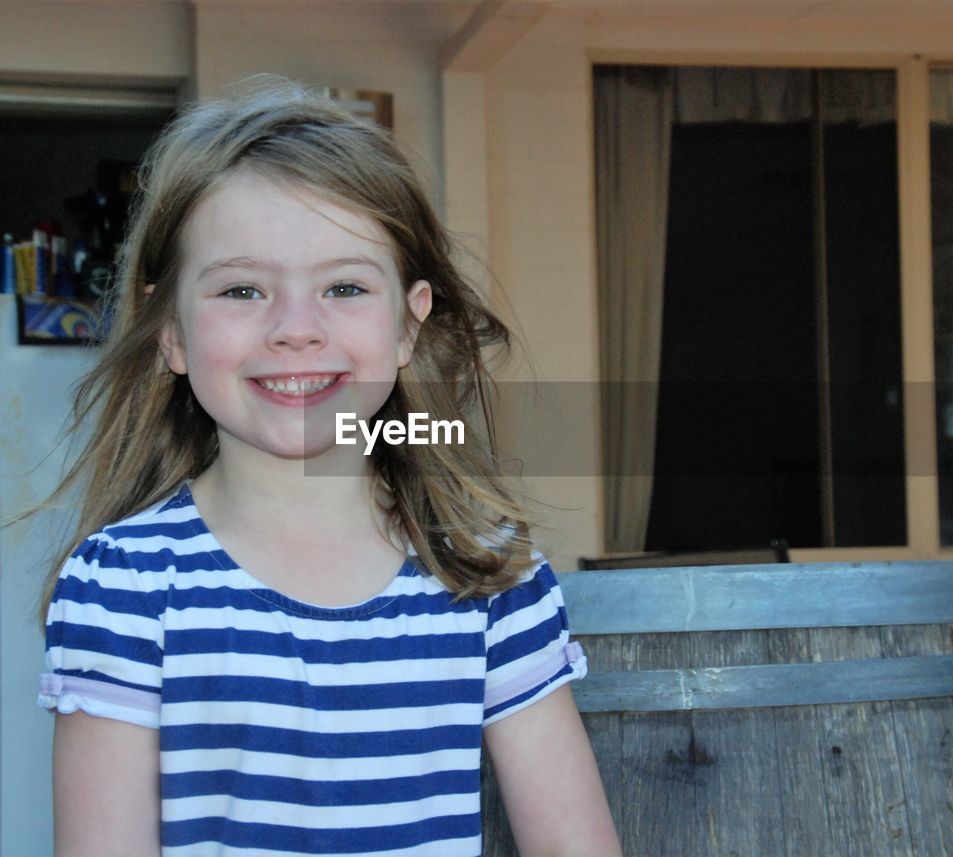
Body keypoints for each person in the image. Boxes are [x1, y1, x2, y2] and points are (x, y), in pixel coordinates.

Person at [37, 77, 621, 857]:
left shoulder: (489, 576)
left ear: (409, 325)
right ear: (170, 329)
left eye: (344, 286)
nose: (296, 330)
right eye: (243, 288)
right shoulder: (123, 589)